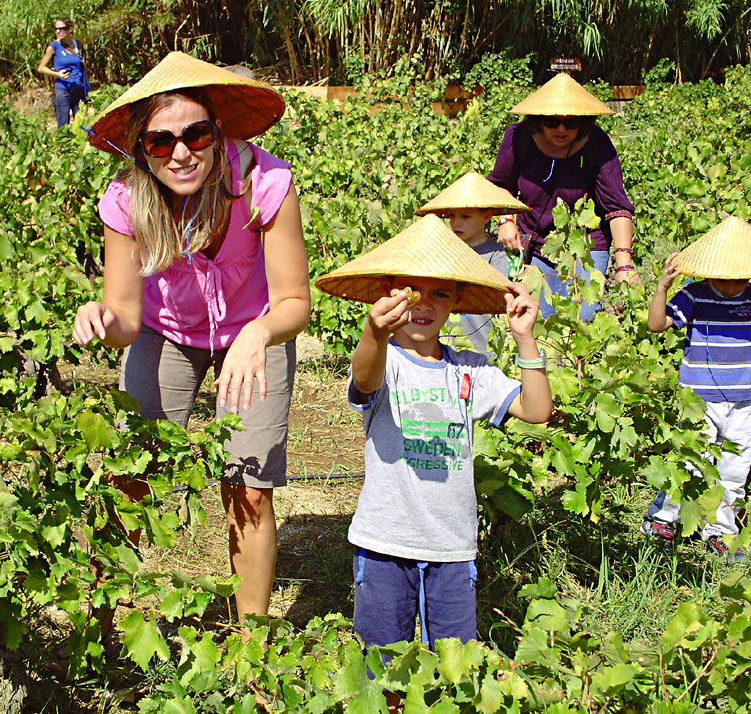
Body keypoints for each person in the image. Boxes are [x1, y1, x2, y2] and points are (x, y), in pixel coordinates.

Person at [71, 52, 310, 626]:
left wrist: (259, 332)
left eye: (195, 134)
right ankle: (106, 622)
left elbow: (295, 304)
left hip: (255, 331)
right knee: (134, 473)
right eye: (161, 141)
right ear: (141, 147)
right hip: (166, 332)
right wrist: (102, 320)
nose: (180, 152)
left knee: (248, 487)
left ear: (215, 132)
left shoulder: (264, 184)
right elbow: (126, 315)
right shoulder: (127, 201)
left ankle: (249, 638)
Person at [316, 214, 552, 668]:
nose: (423, 304)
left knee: (455, 666)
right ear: (388, 296)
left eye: (439, 293)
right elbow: (364, 381)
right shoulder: (386, 361)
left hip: (453, 547)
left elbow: (537, 411)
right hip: (385, 543)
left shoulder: (470, 369)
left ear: (456, 301)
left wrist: (525, 339)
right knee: (383, 665)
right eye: (410, 292)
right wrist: (373, 333)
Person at [640, 216, 751, 561]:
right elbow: (657, 325)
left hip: (742, 400)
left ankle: (721, 529)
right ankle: (663, 518)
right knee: (689, 463)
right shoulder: (694, 295)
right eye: (723, 275)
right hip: (697, 399)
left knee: (733, 468)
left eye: (738, 276)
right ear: (709, 270)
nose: (731, 283)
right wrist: (661, 290)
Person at [488, 72, 638, 320]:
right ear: (538, 120)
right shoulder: (519, 138)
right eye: (552, 122)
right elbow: (501, 185)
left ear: (583, 122)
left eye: (570, 123)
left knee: (584, 320)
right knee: (538, 322)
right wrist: (505, 222)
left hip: (587, 245)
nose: (561, 129)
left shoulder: (597, 144)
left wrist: (624, 264)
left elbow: (616, 206)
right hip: (534, 245)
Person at [415, 171, 529, 356]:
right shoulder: (443, 249)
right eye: (452, 216)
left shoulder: (495, 254)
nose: (456, 223)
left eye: (465, 217)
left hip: (482, 339)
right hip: (444, 336)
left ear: (486, 217)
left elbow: (498, 295)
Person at [37, 17, 89, 128]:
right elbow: (41, 68)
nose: (58, 31)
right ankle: (63, 145)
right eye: (56, 29)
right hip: (62, 90)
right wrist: (57, 74)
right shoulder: (54, 46)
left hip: (78, 89)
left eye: (61, 28)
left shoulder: (78, 45)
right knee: (63, 126)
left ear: (70, 29)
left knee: (82, 125)